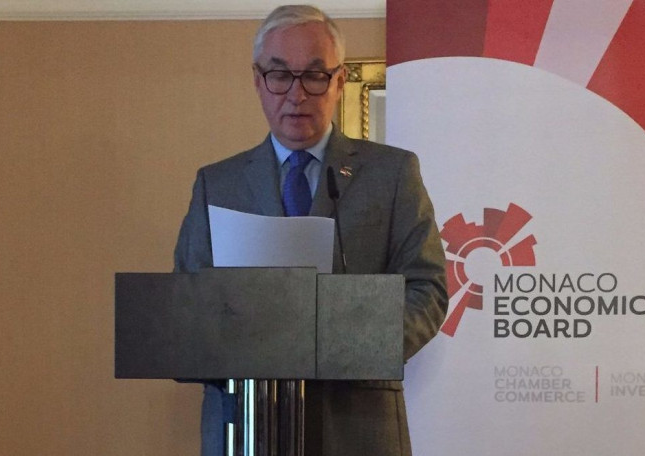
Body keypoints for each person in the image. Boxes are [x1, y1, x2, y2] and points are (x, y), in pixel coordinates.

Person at [173, 5, 447, 456]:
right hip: (246, 427)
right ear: (257, 80)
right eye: (280, 75)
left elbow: (427, 289)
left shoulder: (392, 173)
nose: (296, 94)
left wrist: (349, 347)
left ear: (339, 82)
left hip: (358, 426)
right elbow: (187, 304)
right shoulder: (216, 184)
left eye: (315, 76)